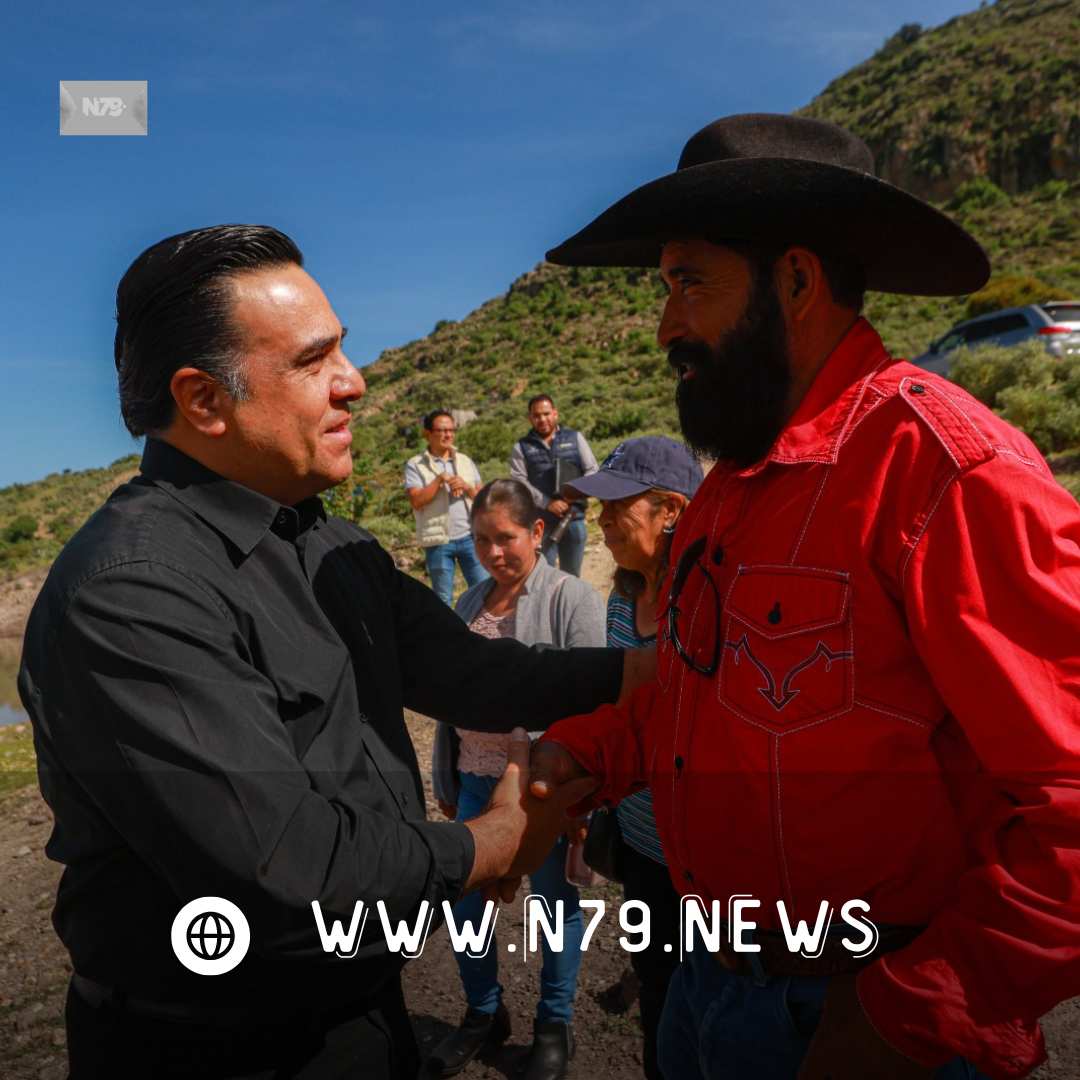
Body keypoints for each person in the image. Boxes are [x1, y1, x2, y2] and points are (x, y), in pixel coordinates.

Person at [16, 225, 643, 1080]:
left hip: (357, 1015)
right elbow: (291, 875)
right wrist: (492, 843)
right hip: (216, 1047)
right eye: (315, 362)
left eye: (343, 350)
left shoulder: (331, 545)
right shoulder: (132, 590)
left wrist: (652, 672)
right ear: (204, 401)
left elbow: (480, 676)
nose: (355, 382)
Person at [528, 113, 1080, 1080]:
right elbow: (703, 704)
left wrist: (915, 1012)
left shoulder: (944, 470)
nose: (665, 327)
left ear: (794, 280)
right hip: (710, 988)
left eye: (688, 282)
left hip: (861, 1014)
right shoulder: (726, 495)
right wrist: (583, 753)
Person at [428, 478, 606, 1079]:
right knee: (467, 910)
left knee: (553, 906)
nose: (492, 553)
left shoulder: (571, 597)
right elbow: (452, 695)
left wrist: (580, 802)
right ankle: (484, 1013)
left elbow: (589, 709)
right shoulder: (468, 603)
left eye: (505, 538)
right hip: (474, 780)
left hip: (542, 788)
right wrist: (446, 770)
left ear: (536, 532)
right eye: (480, 541)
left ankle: (554, 1025)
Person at [561, 435, 702, 1080]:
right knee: (659, 984)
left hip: (706, 854)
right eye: (599, 508)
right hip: (644, 843)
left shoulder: (707, 603)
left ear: (671, 511)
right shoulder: (622, 600)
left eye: (618, 506)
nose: (603, 521)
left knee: (713, 1002)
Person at [404, 409, 488, 605]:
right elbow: (416, 500)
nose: (447, 435)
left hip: (470, 537)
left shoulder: (465, 461)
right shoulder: (415, 465)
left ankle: (485, 635)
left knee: (484, 591)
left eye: (451, 430)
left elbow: (483, 498)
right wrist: (439, 480)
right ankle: (449, 636)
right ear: (428, 433)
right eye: (441, 430)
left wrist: (466, 487)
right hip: (439, 541)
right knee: (443, 599)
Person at [510, 394, 598, 577]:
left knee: (572, 575)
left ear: (555, 413)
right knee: (543, 575)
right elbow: (519, 481)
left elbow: (592, 470)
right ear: (530, 418)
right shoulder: (521, 446)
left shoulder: (575, 438)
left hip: (573, 518)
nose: (542, 419)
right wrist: (547, 503)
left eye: (546, 413)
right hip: (540, 522)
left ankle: (570, 605)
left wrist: (574, 493)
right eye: (536, 415)